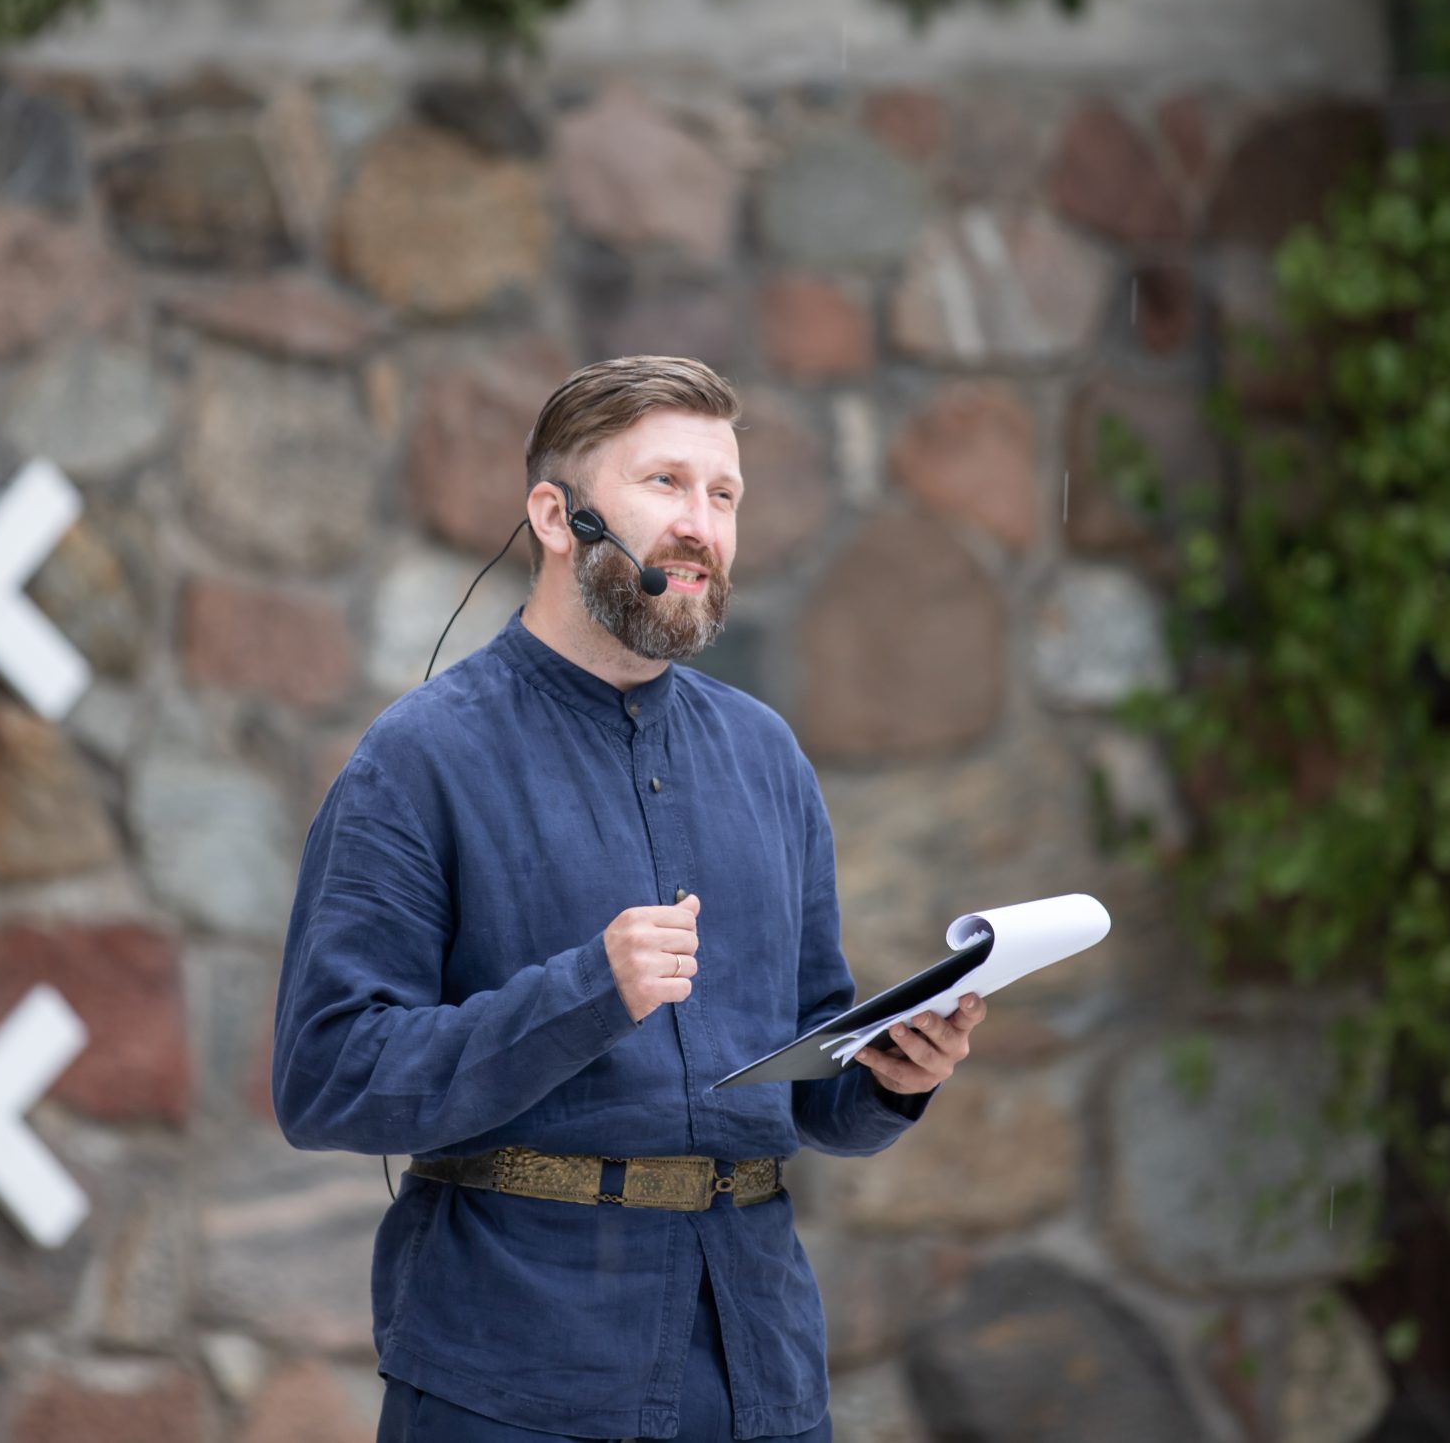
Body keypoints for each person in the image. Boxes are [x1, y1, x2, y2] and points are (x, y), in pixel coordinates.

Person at [271, 355, 984, 1442]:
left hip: (757, 1373)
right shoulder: (419, 760)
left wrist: (889, 1077)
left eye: (724, 494)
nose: (702, 525)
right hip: (513, 1378)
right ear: (557, 517)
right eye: (666, 484)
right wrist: (587, 993)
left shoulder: (766, 757)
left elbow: (802, 1090)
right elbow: (328, 1079)